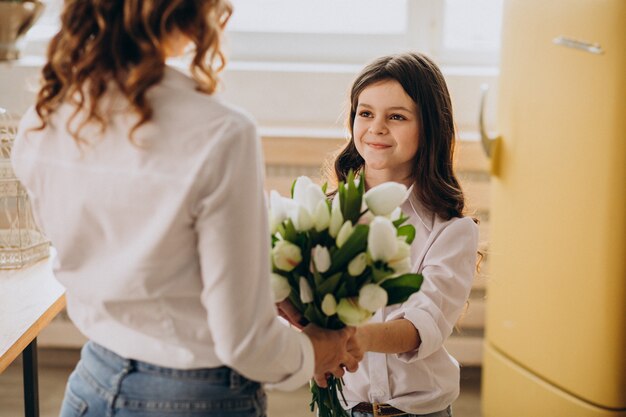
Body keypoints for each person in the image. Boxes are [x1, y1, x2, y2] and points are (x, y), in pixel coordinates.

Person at [10, 1, 362, 416]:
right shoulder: (221, 132)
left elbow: (134, 260)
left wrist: (257, 293)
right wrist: (316, 350)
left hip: (91, 385)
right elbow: (246, 344)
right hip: (197, 399)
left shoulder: (45, 117)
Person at [280, 52, 479, 417]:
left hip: (420, 411)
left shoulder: (452, 231)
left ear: (430, 127)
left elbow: (423, 323)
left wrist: (354, 338)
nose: (376, 128)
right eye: (366, 113)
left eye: (397, 117)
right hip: (340, 407)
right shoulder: (319, 215)